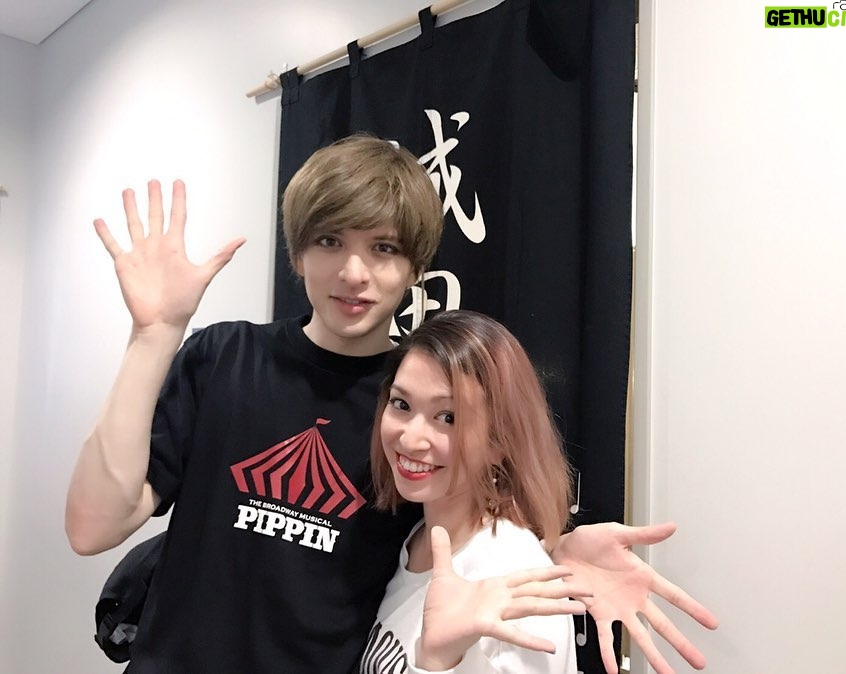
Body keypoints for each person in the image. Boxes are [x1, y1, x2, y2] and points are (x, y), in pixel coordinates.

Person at [66, 134, 716, 674]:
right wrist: (154, 336)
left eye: (383, 248)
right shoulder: (224, 358)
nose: (354, 273)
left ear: (414, 267)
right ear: (298, 252)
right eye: (330, 241)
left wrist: (556, 556)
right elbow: (92, 527)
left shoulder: (411, 402)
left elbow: (464, 524)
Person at [361, 309, 585, 673]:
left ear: (500, 441)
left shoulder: (516, 579)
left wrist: (437, 662)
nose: (411, 439)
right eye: (402, 404)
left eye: (448, 417)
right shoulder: (417, 538)